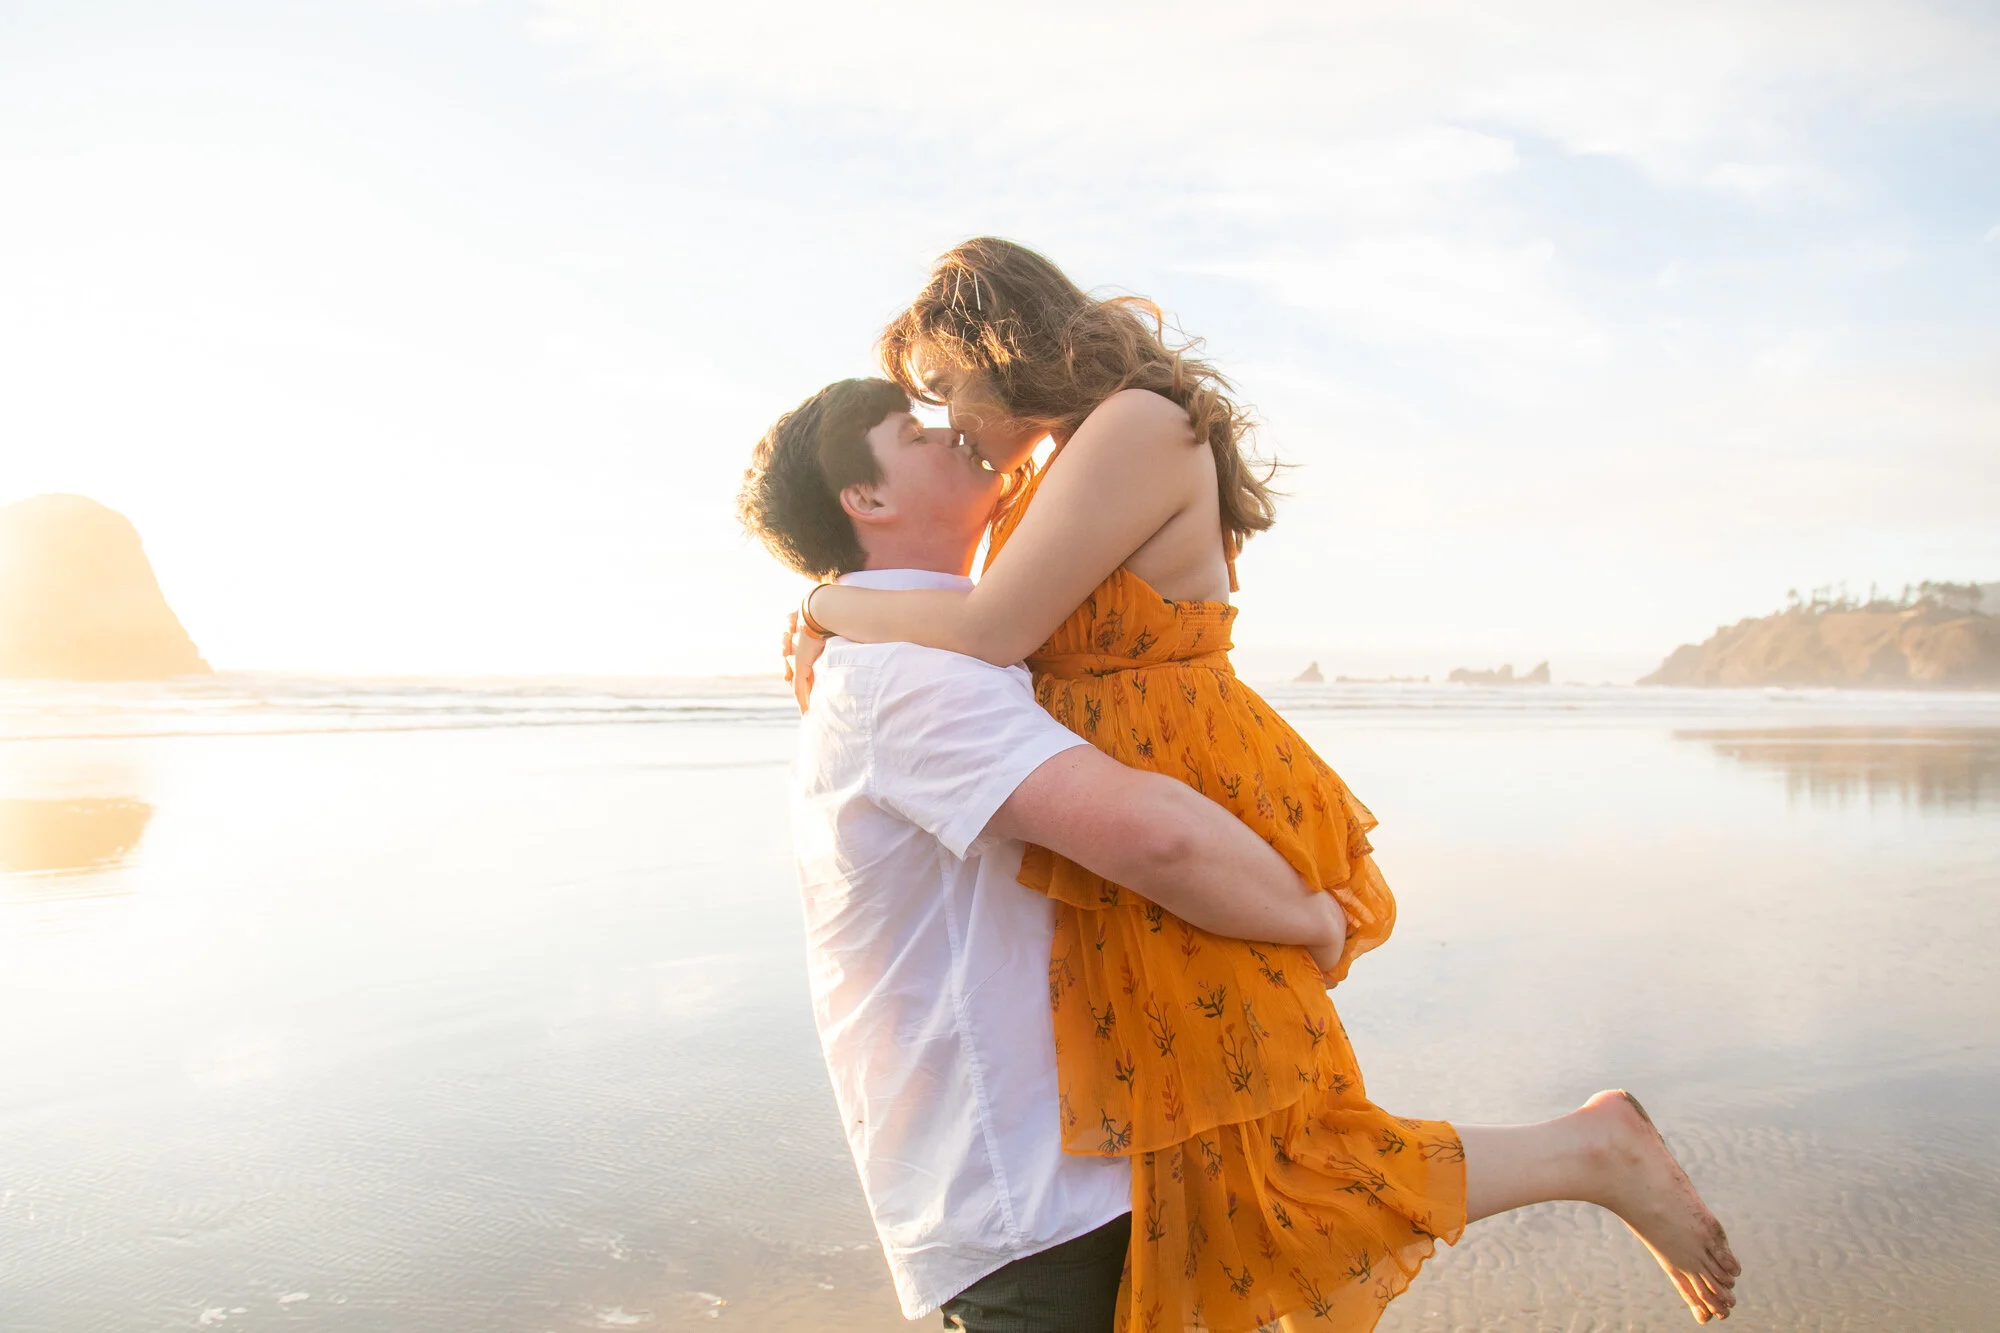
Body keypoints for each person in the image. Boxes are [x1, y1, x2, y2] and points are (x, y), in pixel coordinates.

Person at [783, 239, 1740, 1330]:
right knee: (1235, 1177)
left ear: (997, 348)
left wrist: (826, 606)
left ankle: (1591, 1152)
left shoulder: (1134, 425)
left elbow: (996, 628)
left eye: (945, 386)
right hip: (1131, 819)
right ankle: (1587, 1151)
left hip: (1177, 795)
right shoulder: (1064, 462)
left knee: (1268, 1164)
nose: (949, 419)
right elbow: (991, 634)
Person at [738, 377, 1359, 1332]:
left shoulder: (939, 648)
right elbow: (1152, 835)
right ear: (865, 497)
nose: (953, 432)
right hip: (1029, 1196)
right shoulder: (906, 674)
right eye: (914, 431)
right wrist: (1312, 915)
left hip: (1068, 1172)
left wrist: (826, 605)